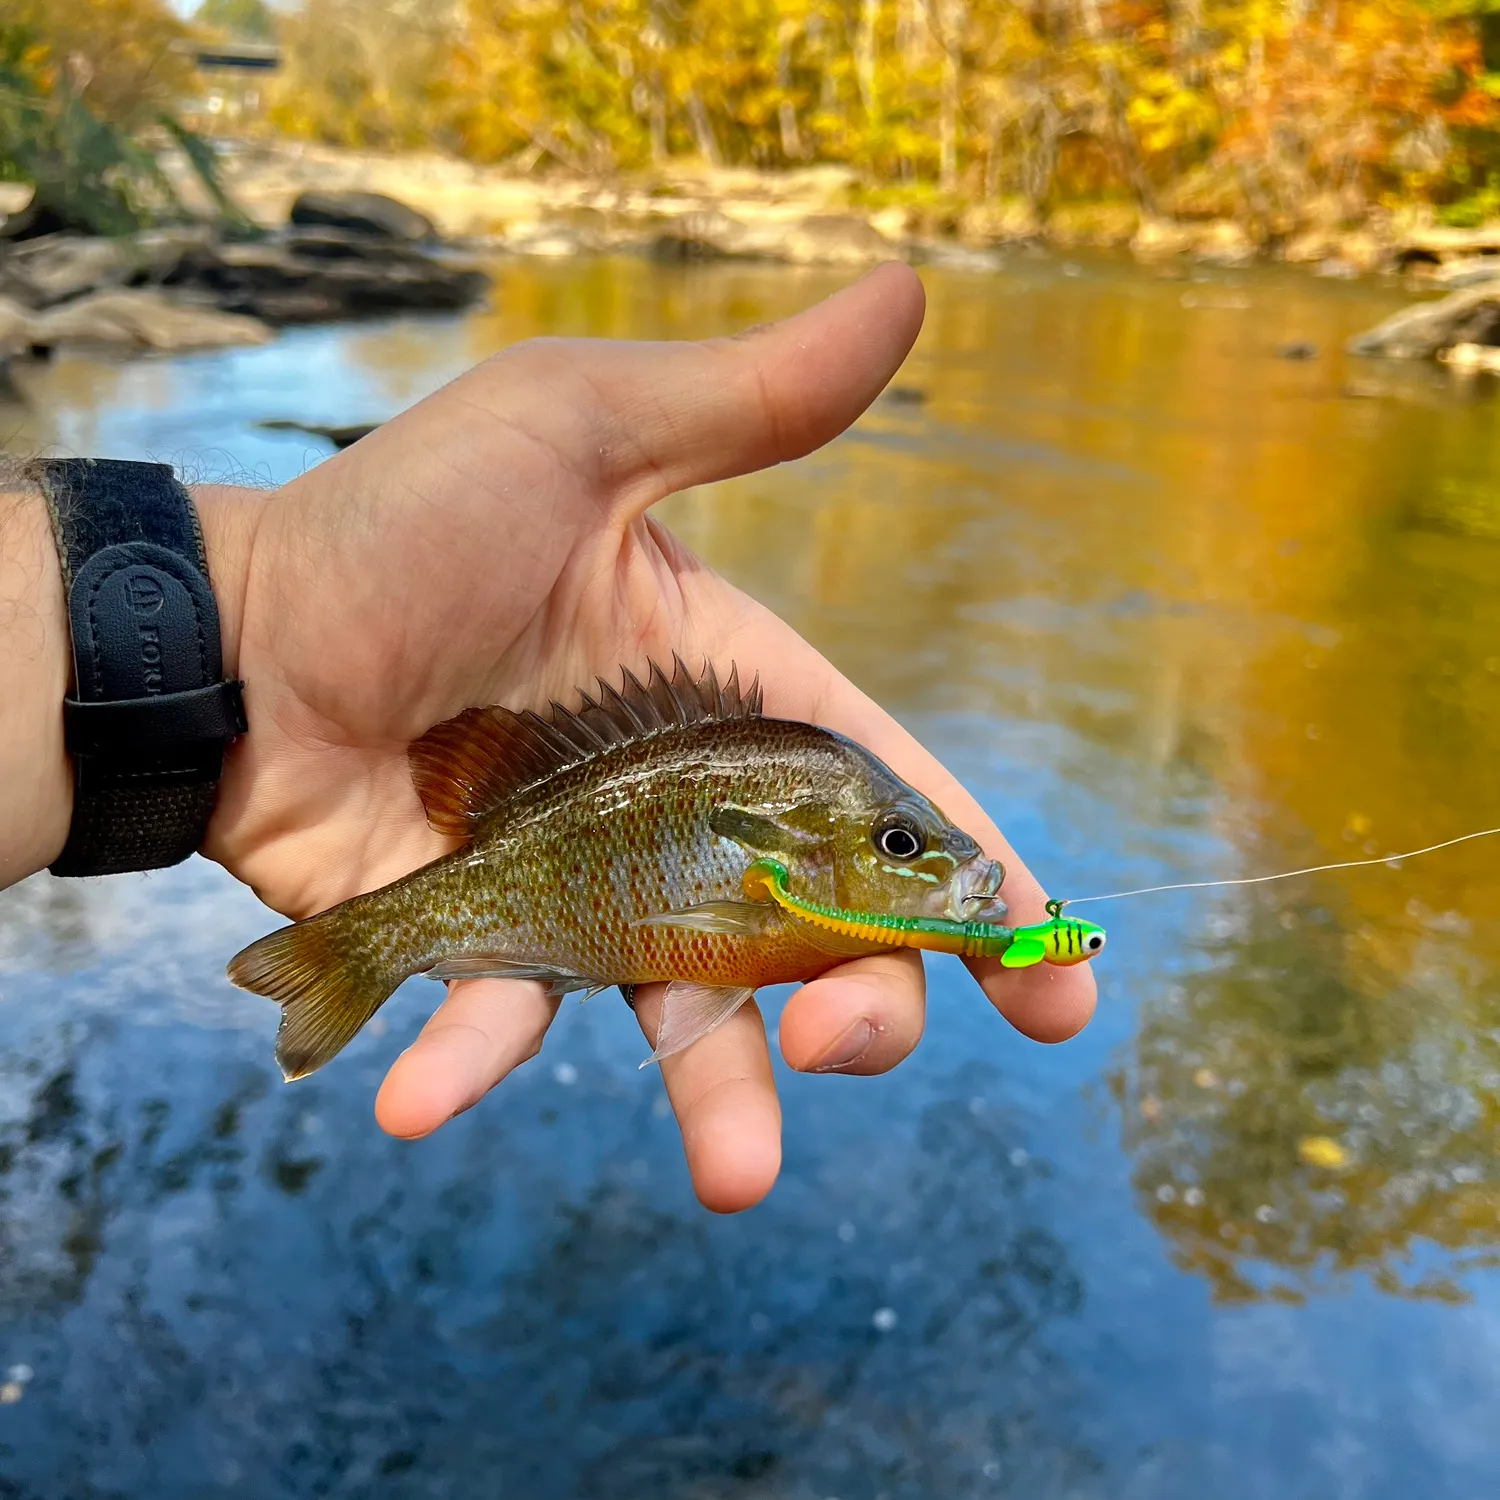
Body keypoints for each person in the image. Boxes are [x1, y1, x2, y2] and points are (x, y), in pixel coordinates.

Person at [0, 263, 1094, 1213]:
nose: (938, 867)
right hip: (514, 854)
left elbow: (713, 936)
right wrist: (248, 604)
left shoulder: (814, 851)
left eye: (909, 846)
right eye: (901, 847)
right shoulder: (785, 854)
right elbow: (706, 931)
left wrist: (212, 615)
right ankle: (354, 951)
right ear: (797, 853)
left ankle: (355, 948)